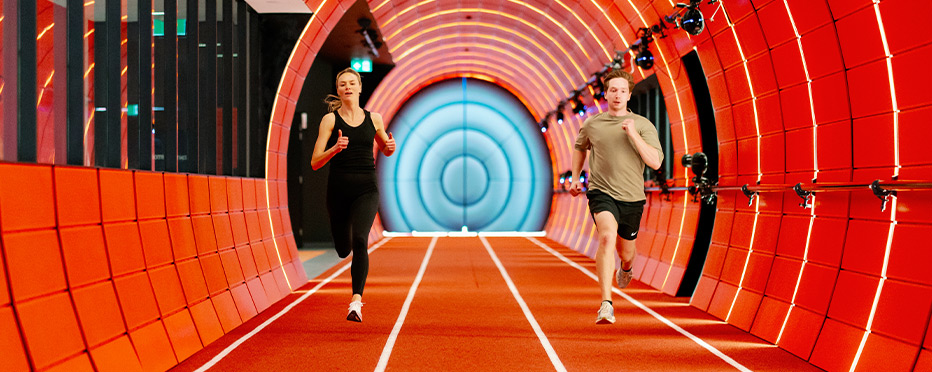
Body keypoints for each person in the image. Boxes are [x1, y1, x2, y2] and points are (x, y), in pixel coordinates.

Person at [569, 68, 663, 324]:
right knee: (607, 236)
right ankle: (606, 304)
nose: (617, 95)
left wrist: (632, 134)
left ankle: (627, 268)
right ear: (606, 94)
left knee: (627, 253)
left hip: (632, 197)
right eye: (613, 90)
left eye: (623, 90)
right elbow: (580, 148)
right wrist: (576, 177)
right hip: (601, 192)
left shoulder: (643, 125)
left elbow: (655, 162)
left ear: (629, 95)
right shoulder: (592, 123)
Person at [311, 67, 396, 322]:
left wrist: (390, 147)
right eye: (342, 84)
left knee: (360, 240)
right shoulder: (330, 120)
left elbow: (386, 148)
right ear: (338, 90)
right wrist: (335, 149)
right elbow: (315, 162)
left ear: (359, 87)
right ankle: (344, 245)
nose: (347, 87)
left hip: (366, 189)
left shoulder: (375, 119)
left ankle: (356, 302)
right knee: (342, 249)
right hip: (338, 191)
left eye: (352, 83)